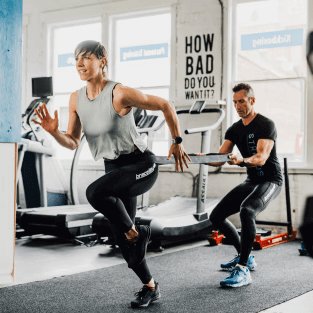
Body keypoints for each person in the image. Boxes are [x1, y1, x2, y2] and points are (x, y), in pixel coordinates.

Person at [32, 40, 191, 308]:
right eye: (76, 59)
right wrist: (54, 132)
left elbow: (165, 104)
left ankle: (137, 233)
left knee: (94, 192)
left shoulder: (119, 93)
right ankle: (150, 286)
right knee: (125, 246)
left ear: (102, 60)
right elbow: (72, 141)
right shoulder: (76, 98)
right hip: (114, 169)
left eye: (85, 58)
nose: (79, 64)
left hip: (141, 165)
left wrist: (177, 140)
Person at [209, 83, 283, 288]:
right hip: (252, 181)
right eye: (234, 102)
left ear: (252, 100)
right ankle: (246, 256)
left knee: (247, 210)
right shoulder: (234, 129)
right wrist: (197, 158)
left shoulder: (266, 124)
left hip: (271, 180)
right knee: (215, 216)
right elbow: (219, 157)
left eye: (241, 101)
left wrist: (241, 161)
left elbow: (260, 158)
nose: (238, 106)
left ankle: (243, 269)